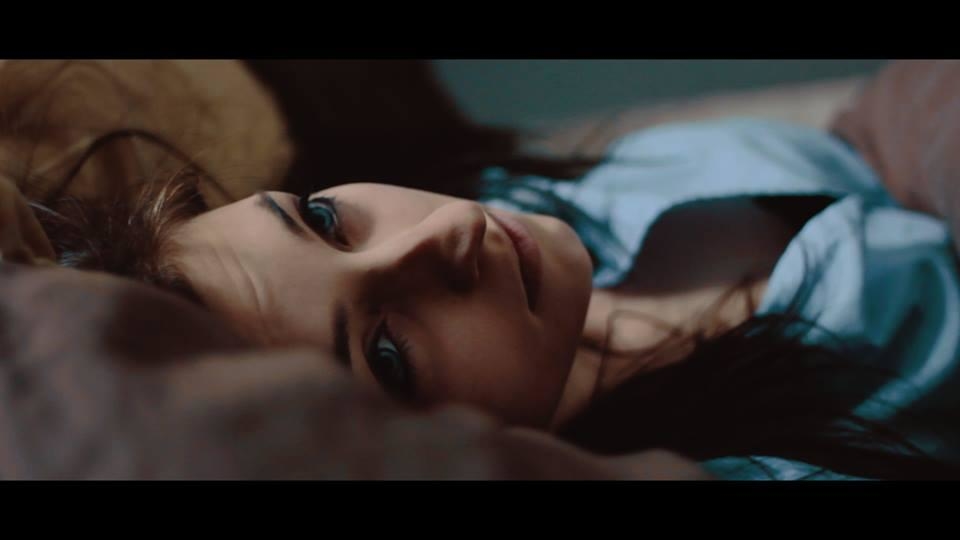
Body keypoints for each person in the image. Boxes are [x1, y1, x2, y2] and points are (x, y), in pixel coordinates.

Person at [9, 60, 960, 480]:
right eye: (389, 353)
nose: (441, 237)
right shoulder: (755, 464)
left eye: (325, 221)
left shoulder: (506, 186)